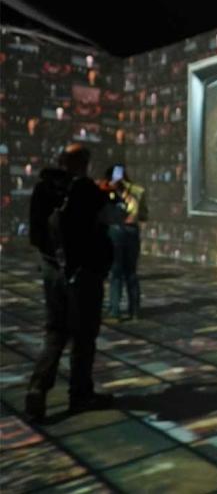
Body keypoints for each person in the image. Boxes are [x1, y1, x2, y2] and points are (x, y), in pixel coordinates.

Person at [25, 144, 114, 422]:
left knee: (55, 331)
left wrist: (53, 258)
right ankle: (80, 394)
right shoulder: (86, 189)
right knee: (84, 335)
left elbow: (35, 235)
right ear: (82, 164)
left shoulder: (42, 189)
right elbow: (111, 219)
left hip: (52, 270)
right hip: (84, 274)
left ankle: (38, 388)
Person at [102, 164, 147, 319]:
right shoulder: (138, 191)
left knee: (116, 272)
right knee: (130, 272)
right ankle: (134, 310)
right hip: (131, 231)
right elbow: (143, 215)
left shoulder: (107, 191)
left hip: (116, 231)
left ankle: (115, 309)